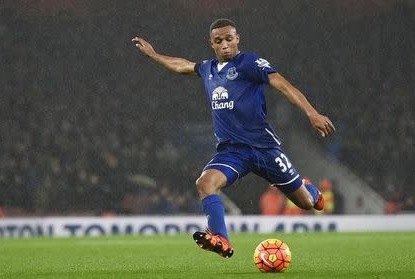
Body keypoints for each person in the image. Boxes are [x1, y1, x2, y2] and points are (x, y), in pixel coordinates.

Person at [132, 18, 335, 258]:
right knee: (205, 183)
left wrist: (312, 113)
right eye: (219, 41)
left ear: (238, 39)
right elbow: (181, 65)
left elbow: (283, 85)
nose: (226, 45)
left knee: (306, 203)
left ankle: (311, 191)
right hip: (232, 152)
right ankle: (220, 238)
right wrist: (154, 55)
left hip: (265, 149)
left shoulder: (249, 63)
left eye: (230, 39)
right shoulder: (207, 69)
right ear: (212, 44)